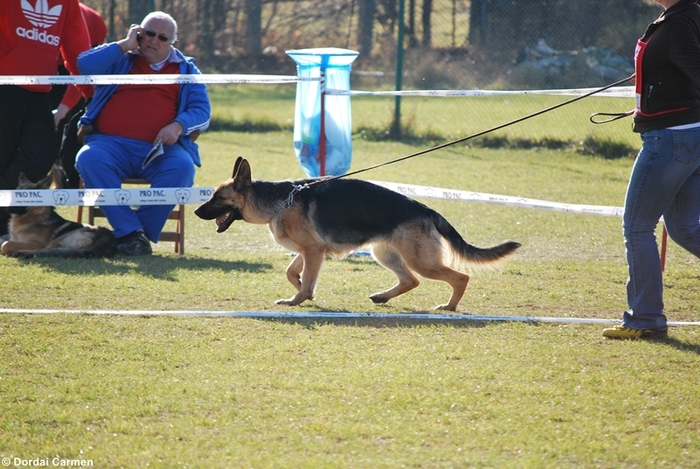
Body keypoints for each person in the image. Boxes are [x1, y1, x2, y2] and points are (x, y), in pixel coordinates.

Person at [75, 11, 211, 256]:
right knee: (88, 159)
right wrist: (125, 45)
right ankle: (131, 233)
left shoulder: (186, 69)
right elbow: (83, 64)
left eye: (162, 37)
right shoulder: (121, 58)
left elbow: (202, 111)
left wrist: (178, 126)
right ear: (138, 33)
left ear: (172, 42)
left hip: (162, 150)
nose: (154, 41)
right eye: (149, 34)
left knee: (182, 168)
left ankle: (136, 236)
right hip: (110, 145)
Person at [603, 0, 700, 339]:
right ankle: (646, 317)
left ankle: (645, 319)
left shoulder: (680, 22)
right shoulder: (678, 17)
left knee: (638, 226)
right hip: (686, 136)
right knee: (686, 229)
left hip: (672, 139)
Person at [0, 0, 91, 241]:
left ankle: (5, 215)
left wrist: (90, 94)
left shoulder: (68, 4)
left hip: (39, 92)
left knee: (42, 154)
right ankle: (4, 229)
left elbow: (78, 53)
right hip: (3, 87)